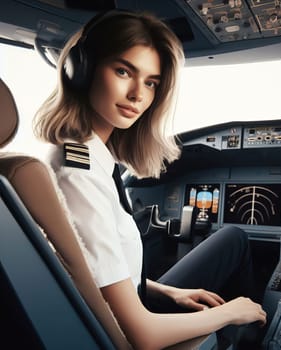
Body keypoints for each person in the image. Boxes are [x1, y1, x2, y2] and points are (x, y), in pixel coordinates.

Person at [34, 10, 267, 350]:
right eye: (123, 71)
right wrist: (230, 313)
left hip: (130, 302)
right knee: (236, 250)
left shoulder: (92, 157)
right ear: (80, 70)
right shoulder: (78, 174)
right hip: (125, 332)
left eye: (151, 82)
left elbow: (100, 276)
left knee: (232, 236)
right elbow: (140, 335)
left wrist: (171, 292)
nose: (137, 94)